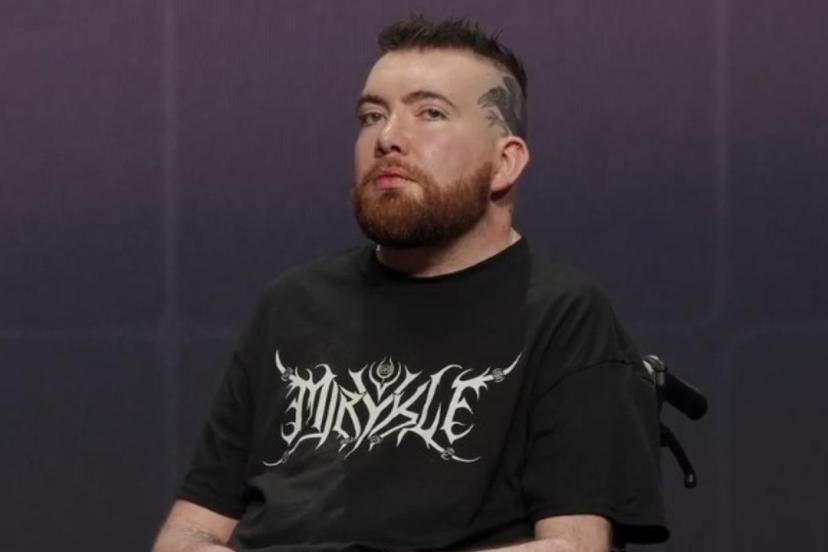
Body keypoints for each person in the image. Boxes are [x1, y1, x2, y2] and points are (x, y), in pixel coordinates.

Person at [153, 15, 669, 552]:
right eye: (372, 115)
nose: (387, 138)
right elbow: (189, 531)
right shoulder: (292, 304)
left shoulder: (565, 316)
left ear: (505, 163)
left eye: (430, 113)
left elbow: (573, 546)